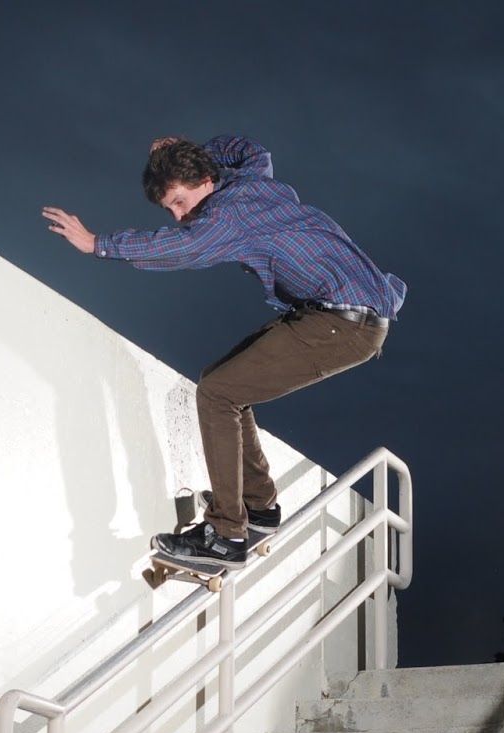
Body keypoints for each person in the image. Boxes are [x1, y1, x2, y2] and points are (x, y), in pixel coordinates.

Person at [42, 134, 406, 568]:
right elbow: (253, 150)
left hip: (342, 324)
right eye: (171, 210)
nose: (180, 216)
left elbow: (180, 247)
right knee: (224, 382)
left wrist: (97, 243)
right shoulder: (252, 179)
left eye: (180, 202)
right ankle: (259, 506)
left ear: (205, 180)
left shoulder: (226, 218)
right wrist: (191, 150)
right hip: (341, 315)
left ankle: (226, 535)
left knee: (217, 394)